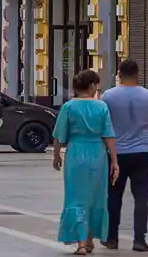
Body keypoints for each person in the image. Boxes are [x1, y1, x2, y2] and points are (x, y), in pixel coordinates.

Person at [53, 70, 119, 255]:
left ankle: (82, 243)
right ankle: (89, 239)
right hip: (98, 155)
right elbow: (109, 136)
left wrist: (57, 155)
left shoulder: (68, 107)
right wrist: (114, 161)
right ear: (91, 86)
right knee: (95, 198)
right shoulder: (102, 107)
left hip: (75, 154)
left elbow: (59, 135)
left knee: (76, 197)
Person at [102, 60, 148, 252]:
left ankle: (112, 238)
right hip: (141, 153)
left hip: (116, 155)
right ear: (138, 74)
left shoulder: (108, 96)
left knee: (113, 196)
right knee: (141, 197)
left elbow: (103, 124)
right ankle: (139, 239)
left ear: (119, 74)